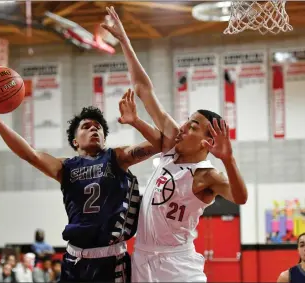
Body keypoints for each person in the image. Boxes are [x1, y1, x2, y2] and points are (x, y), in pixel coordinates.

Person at [102, 6, 248, 282]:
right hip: (143, 258)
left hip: (178, 265)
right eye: (186, 121)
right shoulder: (172, 146)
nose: (182, 127)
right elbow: (144, 89)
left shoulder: (206, 175)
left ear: (207, 141)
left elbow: (240, 198)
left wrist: (228, 160)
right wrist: (124, 40)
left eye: (192, 126)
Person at [0, 86, 158, 281]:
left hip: (110, 260)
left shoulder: (116, 157)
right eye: (86, 126)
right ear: (75, 141)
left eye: (98, 127)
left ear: (104, 138)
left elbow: (161, 143)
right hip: (74, 261)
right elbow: (29, 154)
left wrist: (136, 121)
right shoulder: (65, 167)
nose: (94, 128)